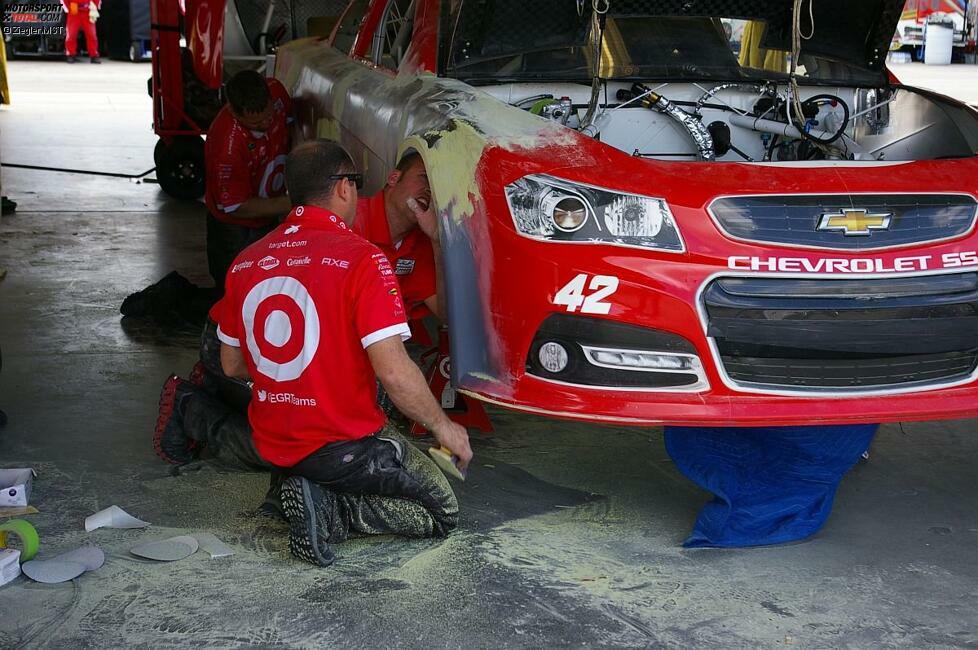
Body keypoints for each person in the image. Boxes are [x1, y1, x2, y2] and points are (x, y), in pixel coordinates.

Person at [154, 139, 472, 566]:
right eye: (356, 184)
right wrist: (443, 426)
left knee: (309, 406)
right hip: (340, 445)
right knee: (441, 512)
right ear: (343, 188)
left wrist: (296, 378)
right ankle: (333, 509)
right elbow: (395, 374)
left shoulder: (247, 260)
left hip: (273, 437)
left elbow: (231, 364)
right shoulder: (365, 260)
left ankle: (290, 488)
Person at [204, 70, 292, 292]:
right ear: (233, 111)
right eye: (255, 123)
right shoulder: (227, 146)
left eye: (268, 117)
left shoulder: (277, 92)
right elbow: (236, 207)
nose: (265, 124)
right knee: (233, 288)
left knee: (268, 280)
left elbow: (294, 126)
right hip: (235, 228)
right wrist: (294, 202)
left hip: (270, 211)